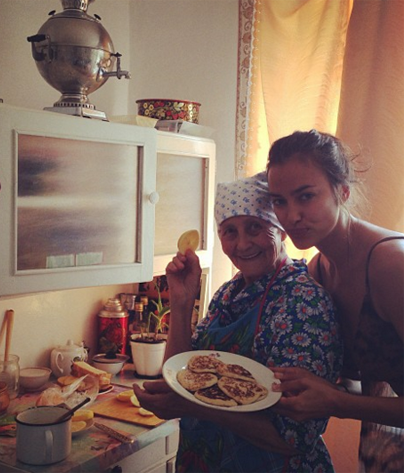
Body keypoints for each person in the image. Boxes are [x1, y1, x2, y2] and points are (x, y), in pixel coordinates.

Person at [133, 172, 343, 472]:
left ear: (281, 230)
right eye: (229, 231)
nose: (242, 244)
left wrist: (194, 407)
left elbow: (293, 438)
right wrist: (181, 304)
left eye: (255, 227)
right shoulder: (228, 293)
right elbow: (180, 376)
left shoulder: (303, 302)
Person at [266, 129, 404, 472]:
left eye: (306, 196)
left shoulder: (391, 265)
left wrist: (335, 402)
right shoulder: (319, 271)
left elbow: (341, 397)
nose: (291, 215)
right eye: (279, 201)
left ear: (342, 191)